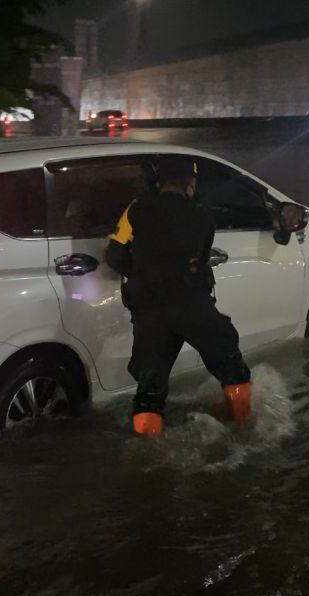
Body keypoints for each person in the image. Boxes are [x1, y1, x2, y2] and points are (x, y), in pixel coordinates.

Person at [105, 157, 252, 436]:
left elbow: (114, 255)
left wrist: (142, 272)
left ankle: (148, 452)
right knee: (231, 366)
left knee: (150, 391)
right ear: (190, 185)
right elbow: (203, 258)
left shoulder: (135, 210)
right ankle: (245, 427)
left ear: (160, 184)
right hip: (193, 305)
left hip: (149, 310)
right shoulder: (203, 216)